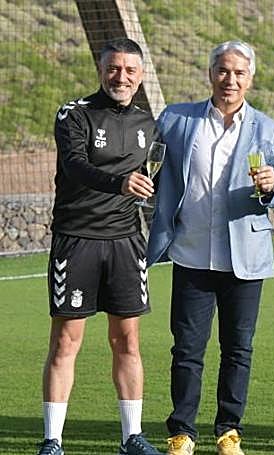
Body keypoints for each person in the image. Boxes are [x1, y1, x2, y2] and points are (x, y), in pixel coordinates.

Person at [146, 40, 274, 455]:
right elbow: (151, 164)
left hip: (245, 257)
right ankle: (182, 433)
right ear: (210, 74)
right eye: (223, 71)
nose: (230, 79)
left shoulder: (268, 129)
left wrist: (271, 187)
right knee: (186, 350)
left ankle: (229, 431)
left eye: (239, 73)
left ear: (251, 79)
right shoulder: (176, 118)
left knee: (238, 350)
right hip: (190, 253)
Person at [38, 38, 161, 455]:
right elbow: (75, 165)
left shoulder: (147, 123)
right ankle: (52, 440)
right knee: (65, 341)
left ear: (140, 75)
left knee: (127, 341)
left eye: (129, 70)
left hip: (126, 242)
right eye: (113, 68)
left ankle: (132, 437)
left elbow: (158, 176)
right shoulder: (74, 114)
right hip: (78, 240)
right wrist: (119, 183)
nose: (120, 77)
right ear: (101, 69)